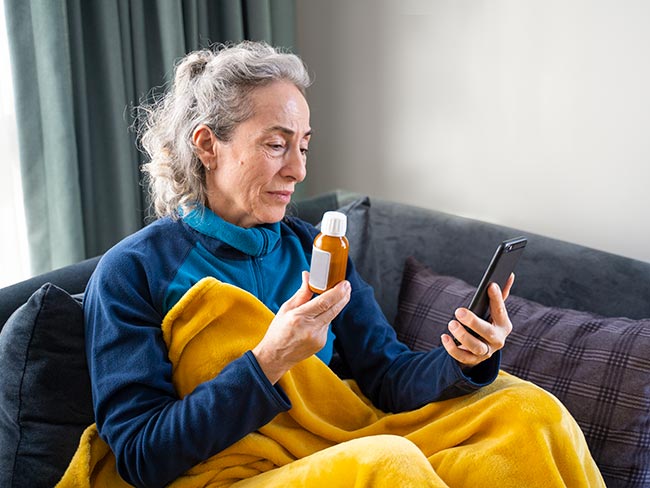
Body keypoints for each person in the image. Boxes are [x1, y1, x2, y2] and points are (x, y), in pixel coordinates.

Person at [81, 41, 604, 488]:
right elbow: (140, 457)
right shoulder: (133, 272)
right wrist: (270, 361)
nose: (298, 169)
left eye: (303, 146)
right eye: (276, 144)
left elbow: (387, 375)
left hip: (337, 445)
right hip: (227, 472)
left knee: (527, 409)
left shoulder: (318, 251)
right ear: (207, 146)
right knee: (388, 463)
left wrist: (463, 360)